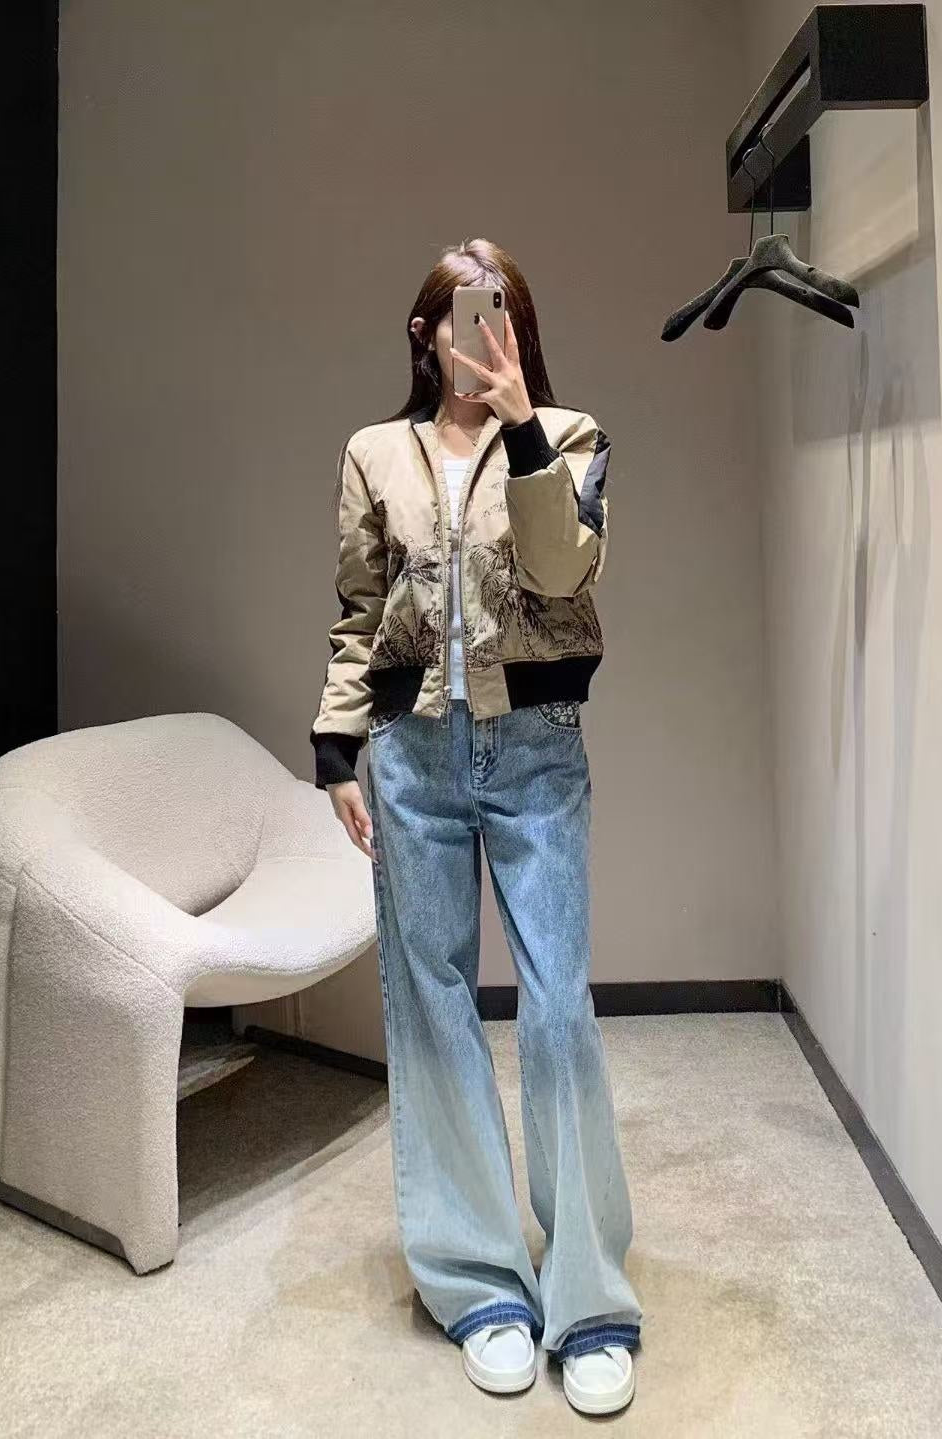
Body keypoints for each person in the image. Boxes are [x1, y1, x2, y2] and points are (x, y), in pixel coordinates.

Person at [310, 238, 642, 1416]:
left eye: (500, 312)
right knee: (435, 1009)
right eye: (459, 314)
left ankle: (589, 1300)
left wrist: (523, 429)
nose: (481, 333)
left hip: (536, 750)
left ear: (521, 324)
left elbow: (560, 574)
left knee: (556, 1009)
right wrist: (337, 745)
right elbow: (360, 613)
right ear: (424, 331)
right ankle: (483, 1285)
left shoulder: (573, 434)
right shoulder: (374, 451)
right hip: (414, 757)